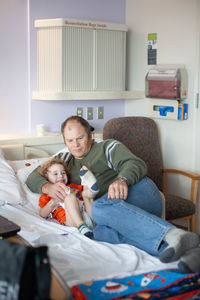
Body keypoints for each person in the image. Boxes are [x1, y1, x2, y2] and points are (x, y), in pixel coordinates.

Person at [26, 116, 200, 273]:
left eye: (80, 138)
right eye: (70, 140)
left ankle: (173, 234)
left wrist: (122, 179)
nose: (76, 145)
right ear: (65, 141)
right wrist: (47, 187)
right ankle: (189, 252)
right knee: (99, 233)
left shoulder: (107, 146)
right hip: (114, 213)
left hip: (140, 193)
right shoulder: (65, 159)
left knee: (100, 208)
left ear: (90, 136)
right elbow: (32, 176)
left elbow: (135, 163)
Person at [38, 157, 98, 239]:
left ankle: (90, 185)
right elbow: (42, 213)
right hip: (71, 223)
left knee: (86, 194)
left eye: (63, 173)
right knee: (70, 197)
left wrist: (85, 176)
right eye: (55, 174)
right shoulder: (47, 195)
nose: (61, 176)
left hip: (88, 216)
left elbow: (82, 188)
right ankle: (81, 225)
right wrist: (53, 202)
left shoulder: (72, 186)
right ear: (47, 178)